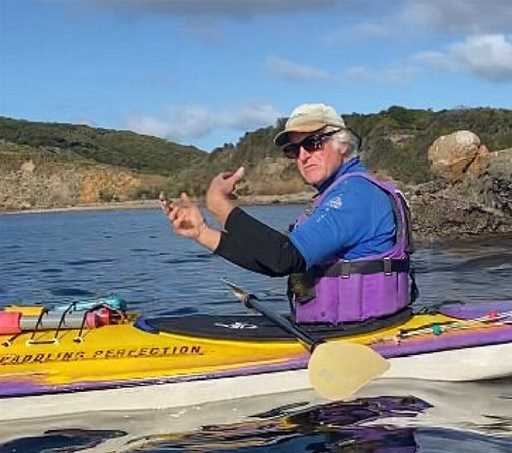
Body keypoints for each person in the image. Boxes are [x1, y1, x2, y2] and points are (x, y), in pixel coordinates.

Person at [161, 103, 414, 325]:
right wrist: (202, 232)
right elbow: (274, 260)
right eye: (294, 150)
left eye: (313, 143)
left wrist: (220, 206)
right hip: (335, 329)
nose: (303, 156)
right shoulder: (339, 193)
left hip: (359, 334)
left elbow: (282, 257)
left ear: (344, 145)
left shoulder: (355, 195)